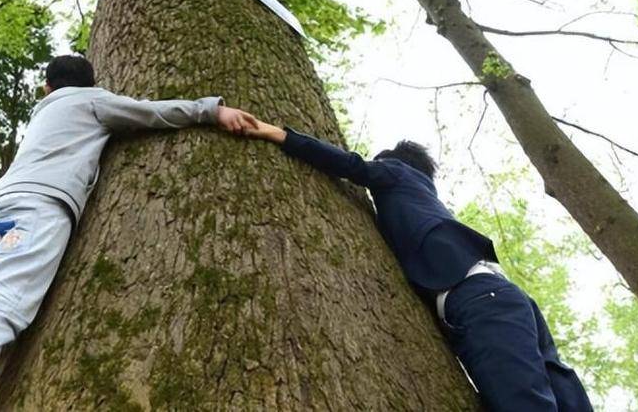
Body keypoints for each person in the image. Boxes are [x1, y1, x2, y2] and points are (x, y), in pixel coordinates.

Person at [0, 54, 255, 412]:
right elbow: (149, 113)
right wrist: (210, 111)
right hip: (34, 209)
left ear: (46, 86)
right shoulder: (89, 100)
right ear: (88, 83)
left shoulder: (45, 110)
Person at [242, 119, 593, 412]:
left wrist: (279, 134)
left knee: (521, 401)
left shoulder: (397, 174)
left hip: (477, 297)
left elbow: (352, 166)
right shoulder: (424, 197)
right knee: (561, 390)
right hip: (502, 295)